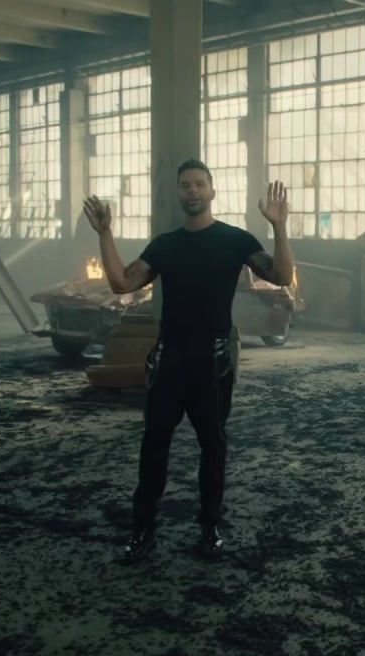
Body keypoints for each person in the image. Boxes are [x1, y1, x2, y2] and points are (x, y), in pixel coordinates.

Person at [83, 159, 294, 562]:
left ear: (212, 192)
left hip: (212, 362)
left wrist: (280, 227)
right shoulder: (165, 245)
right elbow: (121, 282)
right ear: (178, 193)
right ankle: (142, 531)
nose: (193, 191)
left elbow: (282, 276)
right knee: (154, 445)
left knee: (212, 446)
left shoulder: (235, 240)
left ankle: (210, 528)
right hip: (170, 360)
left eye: (199, 184)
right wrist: (105, 232)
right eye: (185, 185)